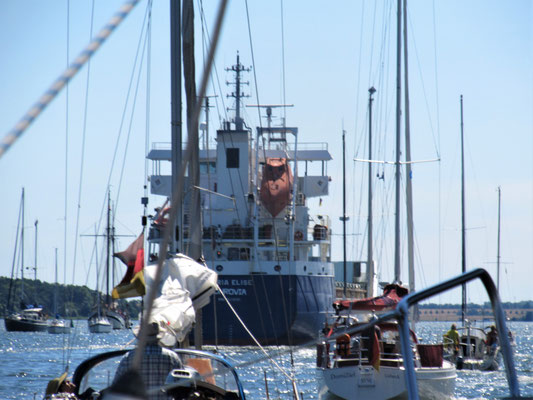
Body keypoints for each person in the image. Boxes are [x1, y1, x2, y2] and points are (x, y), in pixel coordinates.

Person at [113, 322, 182, 400]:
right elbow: (182, 385)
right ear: (159, 337)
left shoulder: (128, 358)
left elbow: (116, 389)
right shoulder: (172, 357)